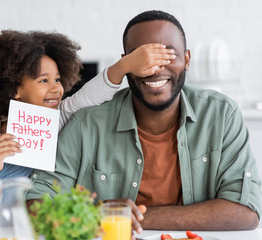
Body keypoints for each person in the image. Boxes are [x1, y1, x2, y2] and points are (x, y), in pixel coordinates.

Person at [26, 10, 262, 232]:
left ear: (187, 59)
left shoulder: (222, 115)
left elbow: (246, 212)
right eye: (143, 58)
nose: (155, 69)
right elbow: (35, 206)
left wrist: (120, 216)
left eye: (168, 54)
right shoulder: (85, 125)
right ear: (126, 63)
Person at [0, 30, 175, 216]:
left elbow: (90, 95)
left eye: (57, 79)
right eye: (43, 80)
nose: (56, 89)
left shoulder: (60, 116)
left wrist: (124, 66)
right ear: (14, 90)